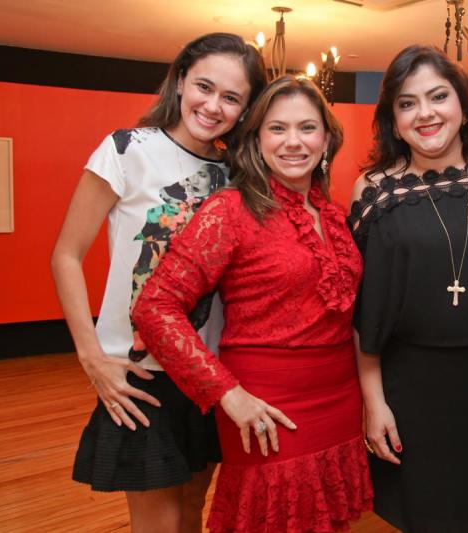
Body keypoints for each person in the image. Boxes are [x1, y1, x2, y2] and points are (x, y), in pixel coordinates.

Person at [131, 75, 373, 533]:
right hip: (266, 403)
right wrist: (228, 393)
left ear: (326, 139)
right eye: (277, 128)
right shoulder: (230, 210)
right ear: (257, 141)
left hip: (340, 397)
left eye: (307, 127)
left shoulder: (334, 214)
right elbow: (154, 307)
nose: (293, 141)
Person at [51, 33, 266, 532]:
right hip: (139, 374)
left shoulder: (237, 174)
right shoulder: (128, 149)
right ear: (181, 80)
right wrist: (91, 357)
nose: (213, 106)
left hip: (210, 373)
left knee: (192, 509)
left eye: (231, 97)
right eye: (204, 87)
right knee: (158, 522)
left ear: (246, 109)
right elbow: (66, 255)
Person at [348, 45, 468, 532]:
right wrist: (374, 402)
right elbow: (364, 309)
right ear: (393, 121)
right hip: (414, 390)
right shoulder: (375, 189)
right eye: (407, 103)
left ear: (463, 104)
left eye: (438, 96)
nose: (425, 113)